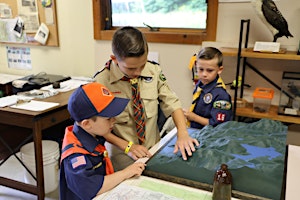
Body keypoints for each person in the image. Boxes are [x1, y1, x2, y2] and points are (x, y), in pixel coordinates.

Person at [94, 26, 199, 171]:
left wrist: (182, 133)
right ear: (114, 59)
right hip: (122, 154)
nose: (138, 72)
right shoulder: (101, 82)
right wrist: (128, 147)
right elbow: (98, 128)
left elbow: (172, 103)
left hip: (153, 149)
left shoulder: (153, 71)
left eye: (142, 65)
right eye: (131, 69)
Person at [59, 82, 146, 200]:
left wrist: (128, 147)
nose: (114, 121)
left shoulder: (91, 133)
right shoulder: (76, 156)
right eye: (108, 118)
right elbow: (92, 188)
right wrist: (125, 173)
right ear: (87, 124)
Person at [183, 47, 233, 129]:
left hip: (210, 136)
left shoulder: (221, 96)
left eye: (209, 70)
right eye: (200, 69)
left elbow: (218, 125)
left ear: (219, 70)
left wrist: (193, 117)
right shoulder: (201, 84)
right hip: (196, 130)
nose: (204, 74)